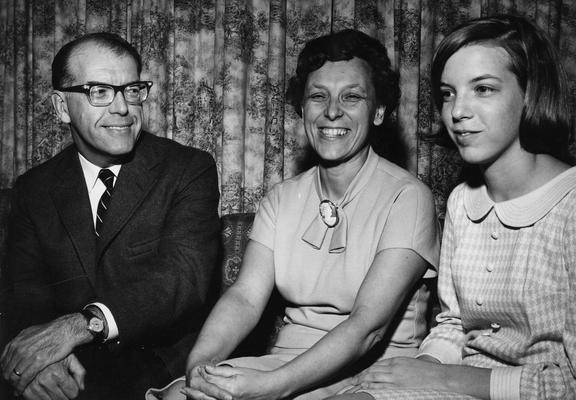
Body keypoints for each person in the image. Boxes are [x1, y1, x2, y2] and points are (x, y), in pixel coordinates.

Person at [148, 28, 440, 400]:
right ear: (303, 109)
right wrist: (200, 368)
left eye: (352, 97)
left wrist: (271, 389)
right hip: (285, 364)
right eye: (318, 96)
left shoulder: (408, 197)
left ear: (379, 111)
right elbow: (245, 298)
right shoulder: (283, 198)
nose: (332, 111)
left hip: (375, 374)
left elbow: (368, 328)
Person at [329, 14, 576, 400]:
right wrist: (422, 369)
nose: (457, 112)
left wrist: (447, 381)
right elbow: (452, 324)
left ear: (531, 92)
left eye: (483, 89)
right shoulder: (462, 200)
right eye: (448, 93)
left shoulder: (570, 205)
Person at [0, 32, 220, 400]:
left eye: (132, 90)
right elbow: (22, 295)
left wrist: (81, 325)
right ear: (61, 107)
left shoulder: (188, 169)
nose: (122, 107)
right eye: (99, 91)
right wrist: (37, 361)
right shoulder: (34, 188)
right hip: (69, 369)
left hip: (161, 370)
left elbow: (182, 279)